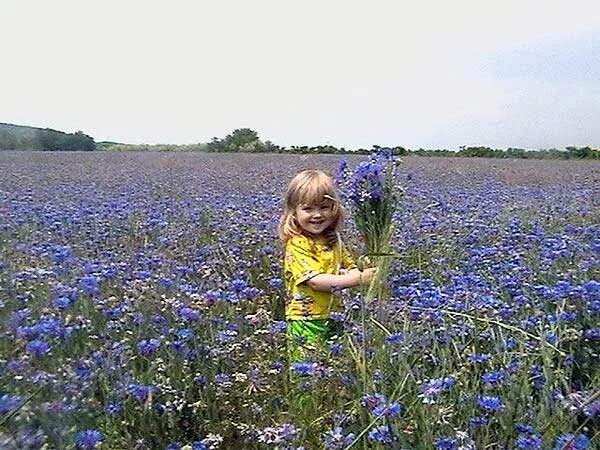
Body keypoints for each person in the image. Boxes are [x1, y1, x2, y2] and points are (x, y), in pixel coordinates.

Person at [278, 169, 377, 361]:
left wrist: (364, 266)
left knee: (333, 364)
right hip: (306, 319)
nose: (317, 215)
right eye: (308, 209)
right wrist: (359, 279)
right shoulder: (298, 243)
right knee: (306, 371)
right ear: (294, 213)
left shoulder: (334, 240)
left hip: (335, 315)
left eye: (324, 207)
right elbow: (315, 281)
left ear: (334, 209)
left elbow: (350, 266)